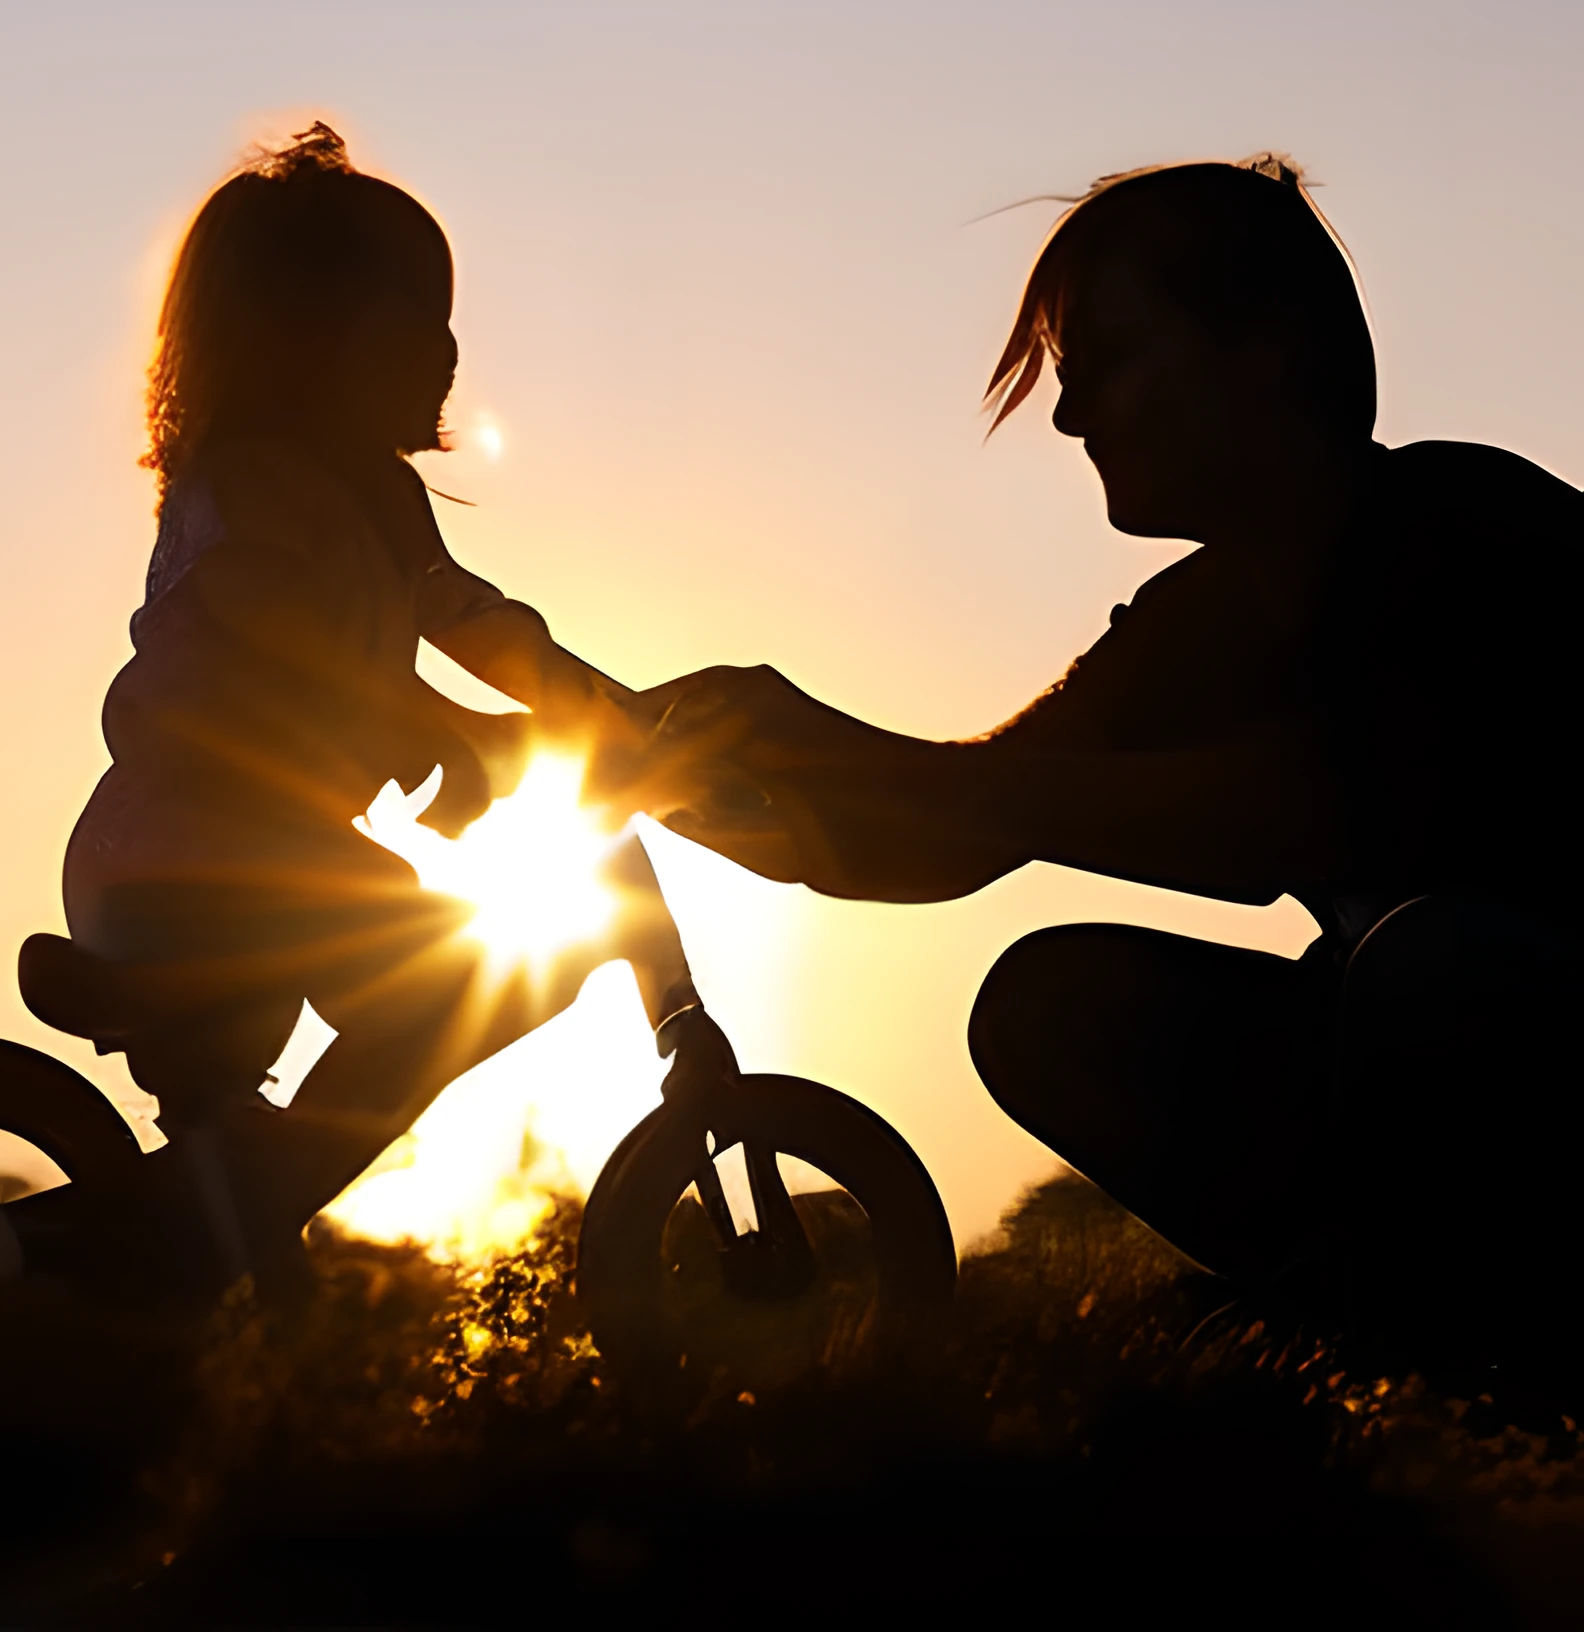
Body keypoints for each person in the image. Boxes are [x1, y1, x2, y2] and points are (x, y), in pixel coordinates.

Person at [655, 156, 1582, 1374]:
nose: (1068, 413)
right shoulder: (1197, 620)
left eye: (1108, 360)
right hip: (1445, 1056)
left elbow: (1295, 813)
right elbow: (942, 837)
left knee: (1429, 966)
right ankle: (1370, 1316)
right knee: (1052, 1007)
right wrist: (652, 762)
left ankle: (1481, 1340)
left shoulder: (1462, 527)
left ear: (1264, 351)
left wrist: (825, 745)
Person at [54, 125, 676, 1277]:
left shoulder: (376, 500)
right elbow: (266, 634)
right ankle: (246, 1200)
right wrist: (435, 726)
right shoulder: (255, 487)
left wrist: (618, 713)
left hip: (226, 852)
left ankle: (227, 1205)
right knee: (441, 986)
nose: (446, 349)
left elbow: (479, 623)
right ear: (305, 336)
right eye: (419, 317)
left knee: (423, 978)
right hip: (202, 851)